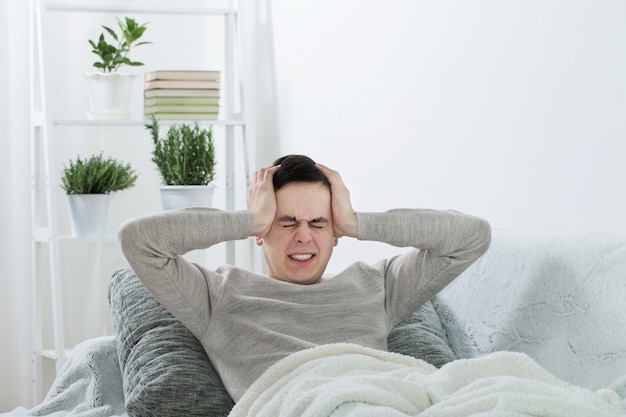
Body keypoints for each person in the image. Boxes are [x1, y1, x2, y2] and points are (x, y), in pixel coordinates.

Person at [118, 154, 491, 402]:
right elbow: (139, 241)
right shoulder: (217, 295)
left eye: (318, 222)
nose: (303, 236)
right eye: (284, 222)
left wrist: (358, 222)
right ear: (261, 232)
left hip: (389, 399)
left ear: (335, 233)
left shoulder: (377, 285)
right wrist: (249, 219)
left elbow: (471, 237)